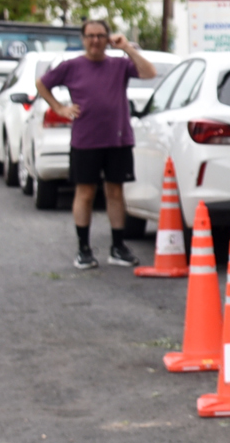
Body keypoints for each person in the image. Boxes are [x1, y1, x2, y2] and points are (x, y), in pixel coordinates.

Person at [38, 18, 157, 270]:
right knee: (86, 193)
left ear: (107, 38)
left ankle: (118, 246)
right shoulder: (71, 66)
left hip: (118, 139)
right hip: (86, 141)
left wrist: (127, 47)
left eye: (100, 36)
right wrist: (60, 108)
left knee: (115, 192)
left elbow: (149, 73)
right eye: (90, 36)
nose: (95, 41)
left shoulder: (119, 65)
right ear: (83, 39)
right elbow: (42, 84)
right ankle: (83, 249)